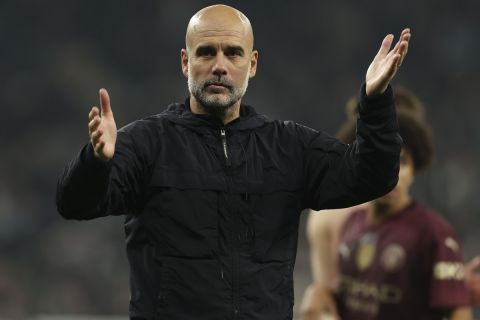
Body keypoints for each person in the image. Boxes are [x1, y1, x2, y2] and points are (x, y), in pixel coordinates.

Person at [56, 4, 411, 319]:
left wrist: (375, 100)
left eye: (233, 53)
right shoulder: (147, 143)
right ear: (185, 62)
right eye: (206, 52)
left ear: (252, 63)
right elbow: (74, 203)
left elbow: (372, 176)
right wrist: (97, 161)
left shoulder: (287, 146)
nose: (220, 66)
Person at [300, 96, 472, 319]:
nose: (392, 171)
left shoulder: (434, 233)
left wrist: (452, 286)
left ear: (416, 168)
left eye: (402, 161)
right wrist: (318, 294)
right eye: (382, 159)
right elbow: (334, 296)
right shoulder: (347, 222)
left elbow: (457, 311)